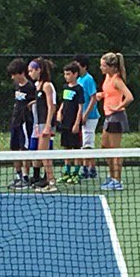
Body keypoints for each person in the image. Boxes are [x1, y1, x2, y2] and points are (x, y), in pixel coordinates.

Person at [97, 52, 134, 190]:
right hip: (108, 116)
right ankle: (111, 176)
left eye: (103, 65)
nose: (101, 68)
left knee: (115, 150)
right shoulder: (107, 77)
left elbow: (129, 97)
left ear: (112, 67)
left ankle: (117, 180)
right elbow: (110, 93)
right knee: (104, 146)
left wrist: (118, 107)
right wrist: (102, 95)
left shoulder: (117, 80)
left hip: (116, 117)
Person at [28, 57, 57, 192]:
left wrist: (47, 126)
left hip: (45, 123)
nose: (29, 74)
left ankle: (51, 182)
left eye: (31, 71)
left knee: (44, 154)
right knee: (41, 153)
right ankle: (48, 181)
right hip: (39, 123)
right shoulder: (38, 86)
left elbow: (51, 106)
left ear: (38, 70)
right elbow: (41, 102)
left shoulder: (47, 85)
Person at [7, 58, 35, 189]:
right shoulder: (16, 86)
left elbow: (38, 100)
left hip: (25, 122)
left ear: (22, 73)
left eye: (14, 74)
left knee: (24, 149)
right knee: (14, 149)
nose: (13, 77)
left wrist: (30, 104)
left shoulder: (30, 87)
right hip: (15, 120)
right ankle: (18, 176)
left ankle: (25, 176)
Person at [55, 62, 84, 185]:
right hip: (65, 123)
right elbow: (64, 102)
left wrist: (77, 123)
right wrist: (59, 112)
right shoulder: (65, 87)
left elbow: (80, 107)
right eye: (65, 74)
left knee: (76, 149)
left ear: (75, 74)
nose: (66, 76)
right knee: (66, 148)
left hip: (73, 123)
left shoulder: (79, 89)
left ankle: (76, 174)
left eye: (68, 74)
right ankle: (67, 173)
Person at [73, 54, 100, 180]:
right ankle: (87, 167)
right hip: (81, 115)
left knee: (88, 142)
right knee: (83, 142)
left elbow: (93, 98)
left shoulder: (88, 79)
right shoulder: (78, 80)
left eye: (77, 65)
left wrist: (86, 114)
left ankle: (90, 169)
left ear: (83, 66)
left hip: (91, 116)